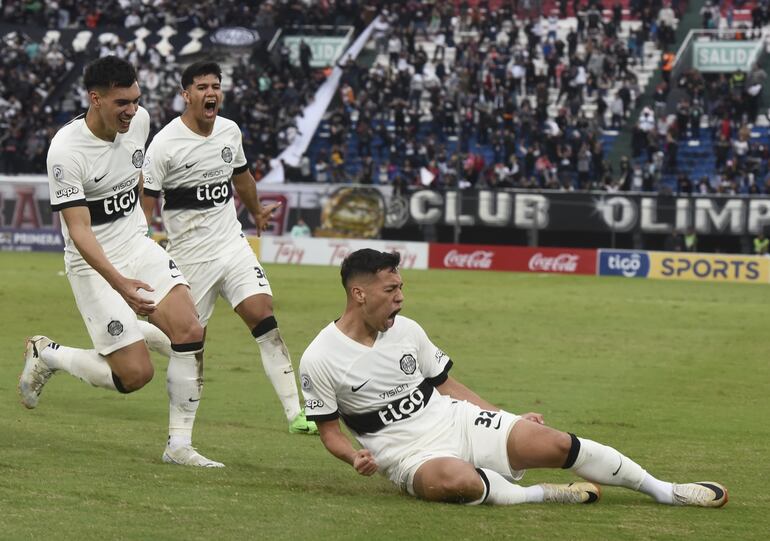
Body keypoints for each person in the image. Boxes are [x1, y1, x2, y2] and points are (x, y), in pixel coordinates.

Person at [299, 249, 728, 507]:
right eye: (391, 290)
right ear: (359, 294)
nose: (401, 298)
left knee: (557, 442)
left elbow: (447, 386)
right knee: (457, 481)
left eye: (401, 287)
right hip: (407, 456)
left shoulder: (407, 330)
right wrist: (352, 456)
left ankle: (667, 491)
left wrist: (504, 417)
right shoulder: (320, 357)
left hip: (456, 420)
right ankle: (545, 493)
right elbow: (330, 430)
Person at [19, 56, 209, 466]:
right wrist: (121, 284)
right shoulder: (65, 152)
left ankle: (179, 447)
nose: (132, 110)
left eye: (136, 100)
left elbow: (137, 177)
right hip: (93, 264)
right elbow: (81, 232)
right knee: (136, 375)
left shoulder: (137, 123)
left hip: (136, 244)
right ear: (95, 98)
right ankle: (48, 354)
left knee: (191, 330)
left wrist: (146, 227)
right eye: (122, 102)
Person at [141, 61, 317, 467]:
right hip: (189, 258)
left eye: (216, 86)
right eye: (202, 86)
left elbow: (242, 178)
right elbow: (144, 207)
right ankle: (178, 444)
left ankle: (296, 412)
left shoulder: (230, 131)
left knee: (262, 311)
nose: (211, 93)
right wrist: (143, 251)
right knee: (183, 345)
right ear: (186, 94)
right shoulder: (164, 145)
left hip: (231, 245)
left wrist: (255, 212)